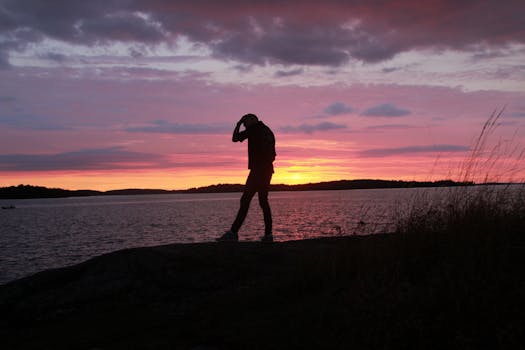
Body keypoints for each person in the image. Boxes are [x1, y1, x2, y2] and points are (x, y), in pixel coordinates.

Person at [217, 113, 276, 242]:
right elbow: (274, 154)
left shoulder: (254, 129)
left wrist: (237, 124)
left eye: (245, 123)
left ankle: (233, 233)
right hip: (267, 170)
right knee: (263, 202)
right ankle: (268, 234)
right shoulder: (268, 131)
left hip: (258, 171)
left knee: (245, 200)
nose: (244, 125)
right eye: (243, 124)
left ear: (252, 120)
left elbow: (235, 138)